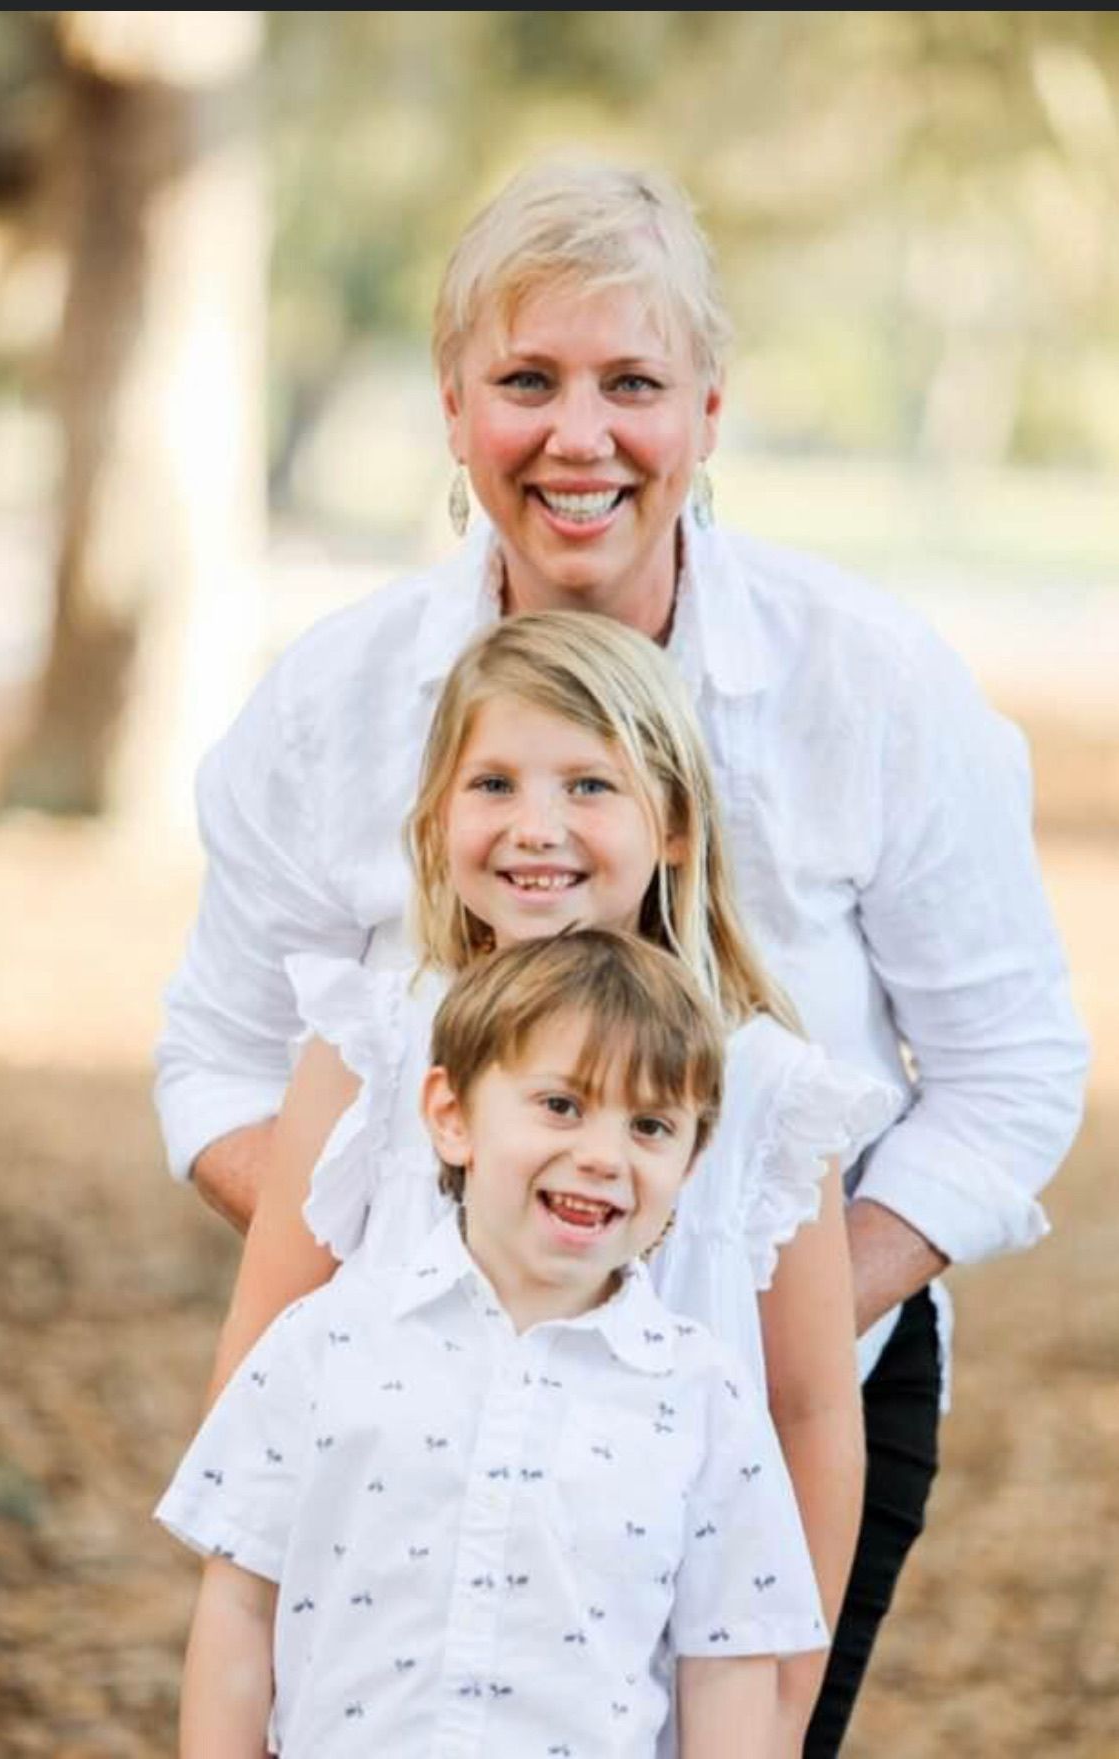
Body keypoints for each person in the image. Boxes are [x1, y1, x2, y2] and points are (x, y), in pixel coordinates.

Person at [155, 158, 1089, 1752]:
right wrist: (427, 1278)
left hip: (787, 1420)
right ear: (453, 408)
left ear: (709, 410)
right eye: (526, 380)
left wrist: (712, 1285)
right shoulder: (334, 707)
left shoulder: (872, 686)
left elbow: (1011, 1081)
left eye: (632, 383)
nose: (577, 436)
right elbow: (218, 1066)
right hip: (404, 1436)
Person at [205, 610, 892, 1753]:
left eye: (588, 786)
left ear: (674, 825)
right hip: (377, 1674)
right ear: (435, 819)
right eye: (494, 783)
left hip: (624, 1685)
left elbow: (811, 1412)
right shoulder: (373, 1042)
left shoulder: (764, 1084)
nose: (537, 827)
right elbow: (267, 1335)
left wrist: (777, 1712)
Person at [157, 929, 831, 1759]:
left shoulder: (702, 1396)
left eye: (651, 1125)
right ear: (451, 1116)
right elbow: (240, 1606)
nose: (602, 1155)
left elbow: (728, 1663)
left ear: (690, 1165)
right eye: (562, 1105)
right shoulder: (327, 1341)